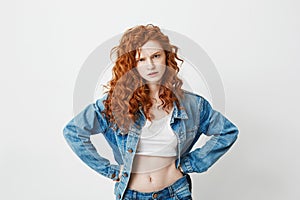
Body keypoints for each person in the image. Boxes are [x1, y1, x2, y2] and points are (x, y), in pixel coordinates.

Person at [63, 24, 239, 200]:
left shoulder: (193, 104)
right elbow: (73, 131)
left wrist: (190, 164)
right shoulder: (115, 103)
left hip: (175, 193)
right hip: (131, 195)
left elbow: (227, 132)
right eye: (141, 59)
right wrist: (110, 171)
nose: (151, 65)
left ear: (166, 57)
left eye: (156, 56)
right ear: (131, 64)